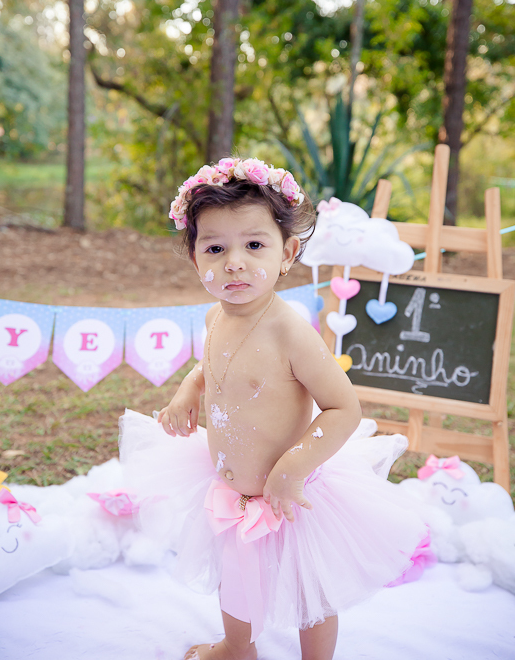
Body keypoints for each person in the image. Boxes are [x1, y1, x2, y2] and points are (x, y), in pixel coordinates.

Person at [119, 157, 426, 660]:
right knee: (234, 576)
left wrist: (291, 470)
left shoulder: (290, 331)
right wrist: (186, 393)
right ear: (195, 258)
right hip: (231, 488)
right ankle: (239, 647)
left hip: (292, 493)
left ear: (287, 253)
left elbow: (342, 408)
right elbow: (209, 367)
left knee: (312, 592)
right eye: (215, 248)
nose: (233, 262)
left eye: (253, 245)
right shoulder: (216, 315)